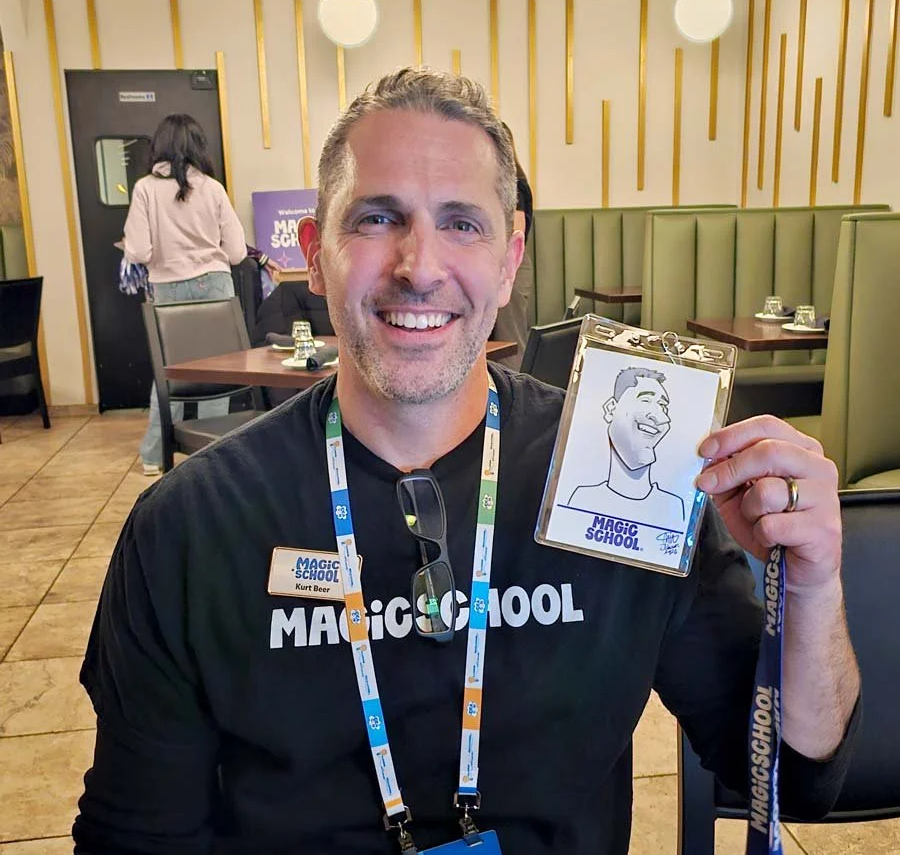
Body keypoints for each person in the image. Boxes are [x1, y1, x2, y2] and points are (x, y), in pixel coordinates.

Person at [74, 69, 860, 855]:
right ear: (315, 257)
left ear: (511, 255)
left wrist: (815, 581)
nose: (420, 265)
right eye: (378, 218)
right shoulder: (188, 527)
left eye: (462, 224)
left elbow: (792, 774)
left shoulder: (631, 491)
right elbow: (135, 838)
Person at [122, 113, 274, 475]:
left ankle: (154, 455)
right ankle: (213, 449)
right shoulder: (213, 188)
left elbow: (139, 251)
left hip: (169, 289)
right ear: (197, 147)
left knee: (171, 375)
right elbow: (237, 252)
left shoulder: (145, 188)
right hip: (216, 288)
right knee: (219, 374)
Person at [567, 366, 685, 526]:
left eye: (662, 406)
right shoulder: (581, 499)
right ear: (611, 409)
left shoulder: (673, 508)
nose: (661, 417)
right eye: (645, 400)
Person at [489, 122, 534, 370]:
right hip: (504, 264)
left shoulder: (515, 186)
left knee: (510, 337)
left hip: (511, 267)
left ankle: (515, 390)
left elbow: (515, 232)